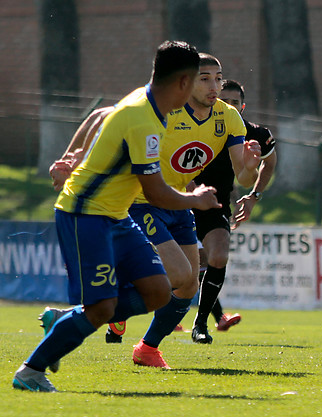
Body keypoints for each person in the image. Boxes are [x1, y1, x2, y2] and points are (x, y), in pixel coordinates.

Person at [12, 41, 219, 392]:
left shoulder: (146, 102)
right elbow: (155, 192)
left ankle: (65, 320)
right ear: (184, 82)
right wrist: (195, 199)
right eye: (198, 81)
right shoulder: (144, 121)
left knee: (157, 292)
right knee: (102, 308)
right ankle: (31, 371)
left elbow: (102, 115)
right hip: (84, 215)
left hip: (116, 216)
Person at [96, 54, 261, 364]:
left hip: (180, 203)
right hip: (143, 200)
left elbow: (243, 175)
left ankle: (147, 349)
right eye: (205, 78)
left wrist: (252, 167)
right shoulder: (164, 112)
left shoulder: (228, 117)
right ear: (186, 82)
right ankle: (80, 314)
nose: (214, 86)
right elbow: (107, 122)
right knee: (178, 275)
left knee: (187, 286)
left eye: (218, 78)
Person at [190, 79, 277, 343]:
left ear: (243, 106)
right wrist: (188, 190)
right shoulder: (192, 125)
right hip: (177, 196)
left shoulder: (255, 134)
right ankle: (119, 320)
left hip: (214, 203)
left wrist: (254, 196)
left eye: (235, 102)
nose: (230, 106)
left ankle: (202, 322)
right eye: (224, 101)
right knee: (177, 269)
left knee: (217, 256)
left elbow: (268, 164)